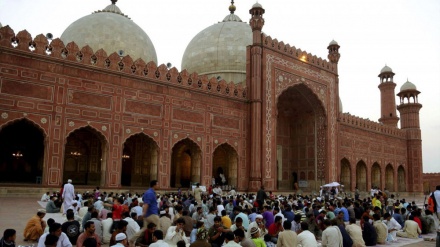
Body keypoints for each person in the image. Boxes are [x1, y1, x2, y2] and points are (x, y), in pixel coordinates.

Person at [130, 180, 160, 245]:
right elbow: (146, 204)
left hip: (148, 214)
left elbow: (144, 200)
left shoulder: (148, 192)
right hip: (152, 214)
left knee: (144, 229)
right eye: (157, 184)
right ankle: (159, 244)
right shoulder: (150, 193)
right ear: (154, 185)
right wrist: (143, 214)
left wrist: (144, 214)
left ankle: (132, 239)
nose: (158, 185)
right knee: (158, 230)